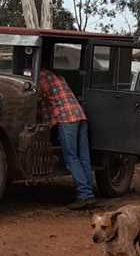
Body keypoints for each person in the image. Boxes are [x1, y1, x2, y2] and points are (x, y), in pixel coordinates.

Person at [37, 68, 96, 210]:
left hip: (67, 118)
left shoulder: (40, 77)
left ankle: (83, 195)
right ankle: (89, 195)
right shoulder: (59, 77)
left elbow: (42, 101)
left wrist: (46, 126)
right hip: (80, 115)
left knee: (71, 158)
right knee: (84, 158)